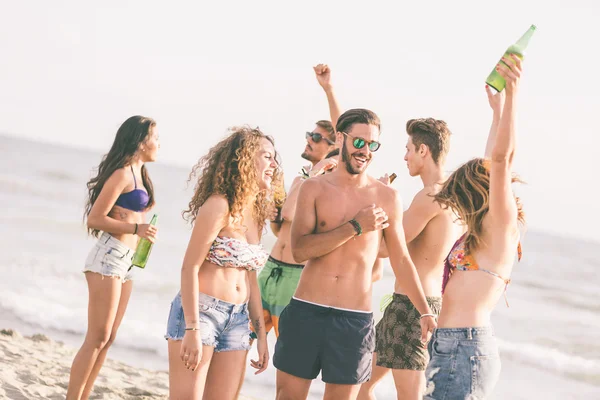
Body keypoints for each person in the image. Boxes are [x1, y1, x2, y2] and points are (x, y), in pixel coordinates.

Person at [273, 107, 437, 400]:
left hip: (353, 321)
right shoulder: (314, 188)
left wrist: (424, 310)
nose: (365, 151)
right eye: (359, 142)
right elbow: (300, 250)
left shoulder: (387, 197)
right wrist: (355, 227)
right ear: (341, 138)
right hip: (306, 310)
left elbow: (401, 259)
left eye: (372, 144)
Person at [423, 55, 525, 399]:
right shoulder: (482, 228)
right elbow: (490, 161)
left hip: (465, 349)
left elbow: (499, 161)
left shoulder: (501, 224)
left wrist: (512, 96)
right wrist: (495, 113)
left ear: (474, 196)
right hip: (450, 344)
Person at [165, 126, 280, 400]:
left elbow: (250, 279)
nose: (274, 165)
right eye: (267, 157)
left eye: (275, 158)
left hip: (238, 319)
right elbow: (189, 267)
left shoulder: (256, 214)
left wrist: (261, 336)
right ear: (245, 159)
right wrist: (192, 327)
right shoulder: (219, 205)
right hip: (201, 313)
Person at [358, 118, 461, 400]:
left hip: (414, 310)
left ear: (423, 150)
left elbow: (386, 248)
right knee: (362, 388)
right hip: (411, 306)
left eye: (408, 149)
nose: (404, 157)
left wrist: (380, 200)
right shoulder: (454, 196)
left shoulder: (430, 196)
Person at [67, 116, 160, 400]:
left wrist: (140, 232)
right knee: (97, 337)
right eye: (156, 138)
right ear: (141, 141)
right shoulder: (122, 174)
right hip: (109, 257)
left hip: (128, 260)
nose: (159, 144)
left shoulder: (141, 173)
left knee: (107, 339)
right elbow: (95, 218)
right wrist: (136, 228)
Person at [257, 66, 339, 339]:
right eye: (309, 134)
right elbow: (282, 231)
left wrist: (328, 89)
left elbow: (344, 132)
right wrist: (272, 216)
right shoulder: (299, 178)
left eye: (316, 138)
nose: (309, 140)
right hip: (269, 269)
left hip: (294, 277)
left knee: (285, 350)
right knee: (240, 338)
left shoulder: (328, 183)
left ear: (333, 148)